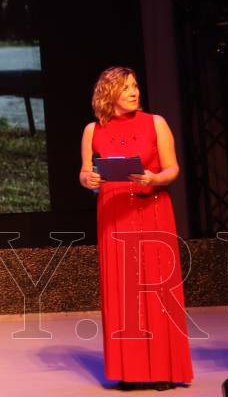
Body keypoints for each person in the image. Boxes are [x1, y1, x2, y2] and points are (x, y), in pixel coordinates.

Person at [80, 66, 193, 391]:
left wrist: (154, 178)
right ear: (109, 93)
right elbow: (85, 173)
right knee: (123, 290)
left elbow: (172, 168)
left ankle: (163, 369)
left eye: (135, 86)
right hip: (114, 213)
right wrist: (89, 179)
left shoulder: (156, 123)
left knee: (157, 288)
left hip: (151, 209)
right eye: (126, 87)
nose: (134, 92)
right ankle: (128, 370)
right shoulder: (92, 130)